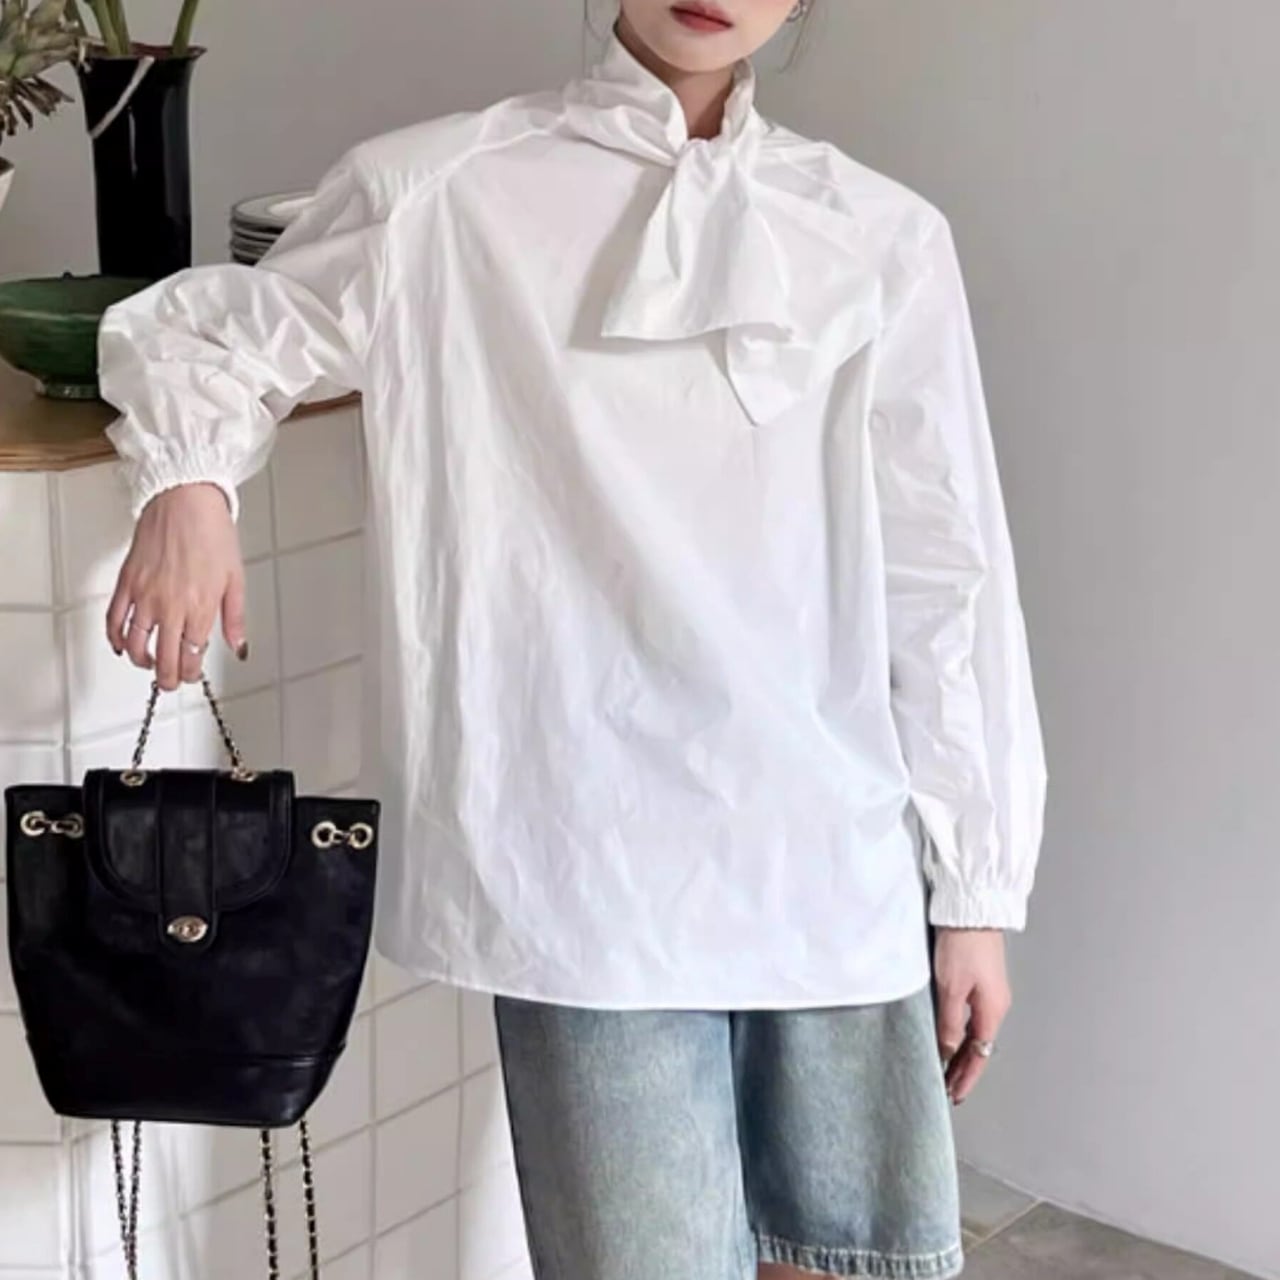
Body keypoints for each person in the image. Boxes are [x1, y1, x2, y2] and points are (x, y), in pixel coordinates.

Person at [96, 1, 1048, 1277]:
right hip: (585, 863)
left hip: (829, 847)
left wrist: (972, 891)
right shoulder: (439, 190)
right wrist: (188, 482)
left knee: (838, 1257)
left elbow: (947, 575)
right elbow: (208, 334)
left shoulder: (879, 233)